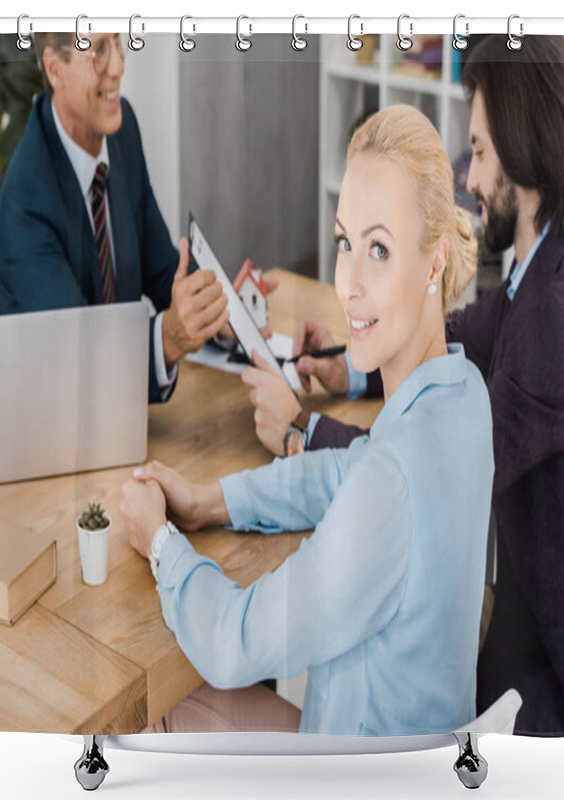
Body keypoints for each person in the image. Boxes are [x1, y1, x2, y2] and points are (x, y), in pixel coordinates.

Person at [245, 36, 564, 736]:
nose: (469, 177)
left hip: (546, 682)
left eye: (481, 152)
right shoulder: (548, 268)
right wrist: (352, 362)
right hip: (516, 619)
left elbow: (432, 460)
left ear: (524, 155)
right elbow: (464, 327)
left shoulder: (559, 315)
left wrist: (299, 429)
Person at [120, 104, 494, 736]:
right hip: (413, 766)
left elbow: (234, 642)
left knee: (152, 716)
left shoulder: (391, 484)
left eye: (380, 248)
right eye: (346, 242)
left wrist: (161, 542)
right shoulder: (465, 396)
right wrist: (213, 501)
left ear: (434, 263)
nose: (347, 282)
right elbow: (348, 471)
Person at [0, 31, 233, 403]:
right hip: (57, 427)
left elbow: (163, 270)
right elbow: (80, 357)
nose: (118, 67)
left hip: (125, 423)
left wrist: (222, 313)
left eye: (118, 44)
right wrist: (168, 337)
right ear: (55, 69)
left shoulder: (121, 133)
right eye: (98, 51)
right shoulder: (26, 199)